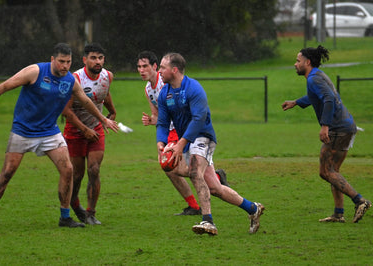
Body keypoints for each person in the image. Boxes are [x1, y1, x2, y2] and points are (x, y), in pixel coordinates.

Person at [0, 43, 119, 230]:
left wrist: (103, 119)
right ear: (52, 60)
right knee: (8, 172)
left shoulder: (70, 81)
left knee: (67, 170)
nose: (65, 66)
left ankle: (65, 217)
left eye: (68, 62)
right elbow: (5, 86)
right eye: (61, 62)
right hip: (23, 130)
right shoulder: (35, 72)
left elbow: (85, 100)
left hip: (49, 131)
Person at [156, 53, 264, 235]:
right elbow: (163, 122)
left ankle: (208, 221)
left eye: (162, 67)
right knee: (214, 188)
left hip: (203, 135)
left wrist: (181, 144)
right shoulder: (165, 94)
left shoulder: (193, 88)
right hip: (189, 140)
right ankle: (252, 208)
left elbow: (199, 119)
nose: (159, 71)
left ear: (174, 70)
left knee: (194, 171)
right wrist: (161, 142)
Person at [281, 45, 371, 223]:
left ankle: (360, 201)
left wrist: (325, 126)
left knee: (325, 171)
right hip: (346, 127)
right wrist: (297, 102)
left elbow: (329, 99)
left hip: (338, 129)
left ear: (307, 62)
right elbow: (318, 97)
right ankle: (338, 213)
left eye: (298, 61)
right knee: (333, 171)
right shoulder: (317, 76)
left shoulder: (314, 79)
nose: (295, 64)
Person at [137, 51, 229, 216]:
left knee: (171, 167)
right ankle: (210, 183)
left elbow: (186, 106)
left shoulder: (164, 82)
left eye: (145, 66)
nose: (141, 70)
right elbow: (159, 118)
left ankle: (199, 207)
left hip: (181, 130)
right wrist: (152, 121)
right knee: (171, 168)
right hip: (171, 130)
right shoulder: (148, 89)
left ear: (155, 67)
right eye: (139, 66)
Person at [62, 43, 116, 225]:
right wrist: (84, 130)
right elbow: (66, 110)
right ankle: (75, 205)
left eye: (100, 58)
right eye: (93, 57)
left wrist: (112, 111)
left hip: (96, 130)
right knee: (77, 174)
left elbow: (103, 94)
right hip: (75, 131)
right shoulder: (75, 78)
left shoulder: (108, 76)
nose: (97, 61)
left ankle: (91, 213)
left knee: (94, 169)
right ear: (85, 60)